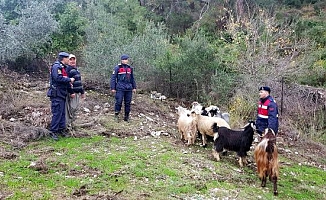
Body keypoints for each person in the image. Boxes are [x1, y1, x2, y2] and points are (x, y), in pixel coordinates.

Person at [47, 52, 75, 140]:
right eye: (67, 58)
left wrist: (71, 91)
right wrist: (69, 79)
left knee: (62, 113)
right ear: (64, 58)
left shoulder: (63, 67)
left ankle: (61, 130)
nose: (69, 60)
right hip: (56, 94)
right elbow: (57, 78)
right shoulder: (56, 67)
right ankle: (53, 132)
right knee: (57, 113)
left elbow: (65, 82)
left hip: (62, 94)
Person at [110, 54, 136, 122]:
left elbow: (132, 78)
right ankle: (116, 115)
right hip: (120, 88)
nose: (126, 61)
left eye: (127, 59)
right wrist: (113, 88)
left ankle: (126, 117)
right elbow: (113, 78)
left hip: (128, 88)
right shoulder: (117, 68)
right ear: (121, 60)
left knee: (128, 103)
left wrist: (134, 87)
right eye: (124, 59)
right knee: (119, 101)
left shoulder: (130, 68)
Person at [65, 54, 86, 131]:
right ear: (68, 60)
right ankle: (67, 126)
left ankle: (71, 125)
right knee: (71, 109)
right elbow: (67, 82)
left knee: (75, 109)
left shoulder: (76, 70)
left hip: (77, 93)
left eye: (74, 59)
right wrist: (71, 92)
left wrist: (82, 92)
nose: (72, 61)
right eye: (71, 59)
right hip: (72, 94)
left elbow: (79, 82)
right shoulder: (68, 70)